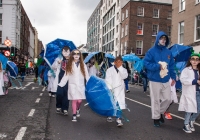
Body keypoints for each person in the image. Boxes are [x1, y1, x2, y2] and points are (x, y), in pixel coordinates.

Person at [143, 31, 176, 127]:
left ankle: (160, 113)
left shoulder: (169, 52)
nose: (163, 41)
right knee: (156, 100)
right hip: (154, 79)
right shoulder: (151, 51)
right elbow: (146, 63)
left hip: (166, 79)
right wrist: (157, 66)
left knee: (168, 99)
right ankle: (156, 118)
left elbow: (171, 66)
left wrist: (173, 77)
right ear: (158, 39)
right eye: (161, 39)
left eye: (165, 39)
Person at [58, 49, 90, 122]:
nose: (76, 55)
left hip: (80, 85)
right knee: (74, 100)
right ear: (72, 55)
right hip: (72, 85)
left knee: (79, 101)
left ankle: (78, 109)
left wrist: (89, 83)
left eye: (78, 54)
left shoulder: (83, 65)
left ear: (79, 56)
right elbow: (66, 75)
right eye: (74, 54)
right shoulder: (69, 64)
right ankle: (74, 114)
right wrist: (61, 84)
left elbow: (86, 75)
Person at [178, 53, 200, 133]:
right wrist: (195, 81)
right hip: (190, 92)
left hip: (198, 92)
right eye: (193, 59)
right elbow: (183, 80)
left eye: (197, 59)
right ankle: (186, 124)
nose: (194, 61)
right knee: (189, 109)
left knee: (198, 110)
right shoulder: (186, 70)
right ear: (190, 60)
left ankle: (191, 120)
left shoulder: (199, 70)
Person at [105, 55, 128, 127]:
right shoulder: (109, 70)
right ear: (114, 62)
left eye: (121, 62)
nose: (119, 63)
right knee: (111, 103)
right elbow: (108, 80)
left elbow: (124, 76)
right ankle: (109, 115)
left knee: (119, 104)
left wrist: (120, 69)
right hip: (112, 89)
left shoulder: (124, 70)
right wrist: (110, 88)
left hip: (120, 90)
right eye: (117, 62)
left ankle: (118, 119)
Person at [52, 46, 71, 115]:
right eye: (64, 51)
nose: (65, 53)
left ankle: (65, 109)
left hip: (68, 79)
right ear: (62, 52)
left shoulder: (71, 60)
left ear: (69, 52)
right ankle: (58, 106)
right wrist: (58, 63)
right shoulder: (58, 58)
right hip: (60, 79)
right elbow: (53, 67)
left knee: (66, 94)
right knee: (59, 93)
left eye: (67, 51)